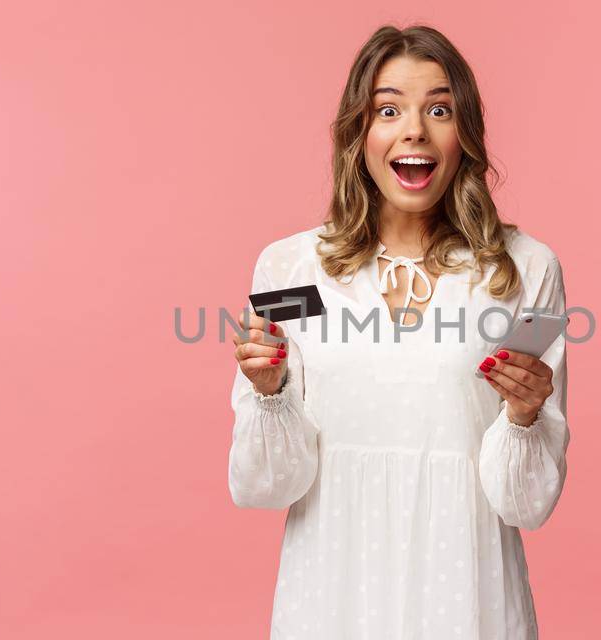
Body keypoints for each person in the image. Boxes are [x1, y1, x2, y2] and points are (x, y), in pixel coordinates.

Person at [226, 24, 570, 639]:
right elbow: (267, 486)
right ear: (359, 133)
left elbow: (527, 506)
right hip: (330, 594)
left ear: (465, 134)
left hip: (467, 594)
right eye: (389, 109)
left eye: (440, 109)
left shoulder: (524, 270)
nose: (415, 129)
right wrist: (270, 392)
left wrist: (523, 418)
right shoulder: (290, 270)